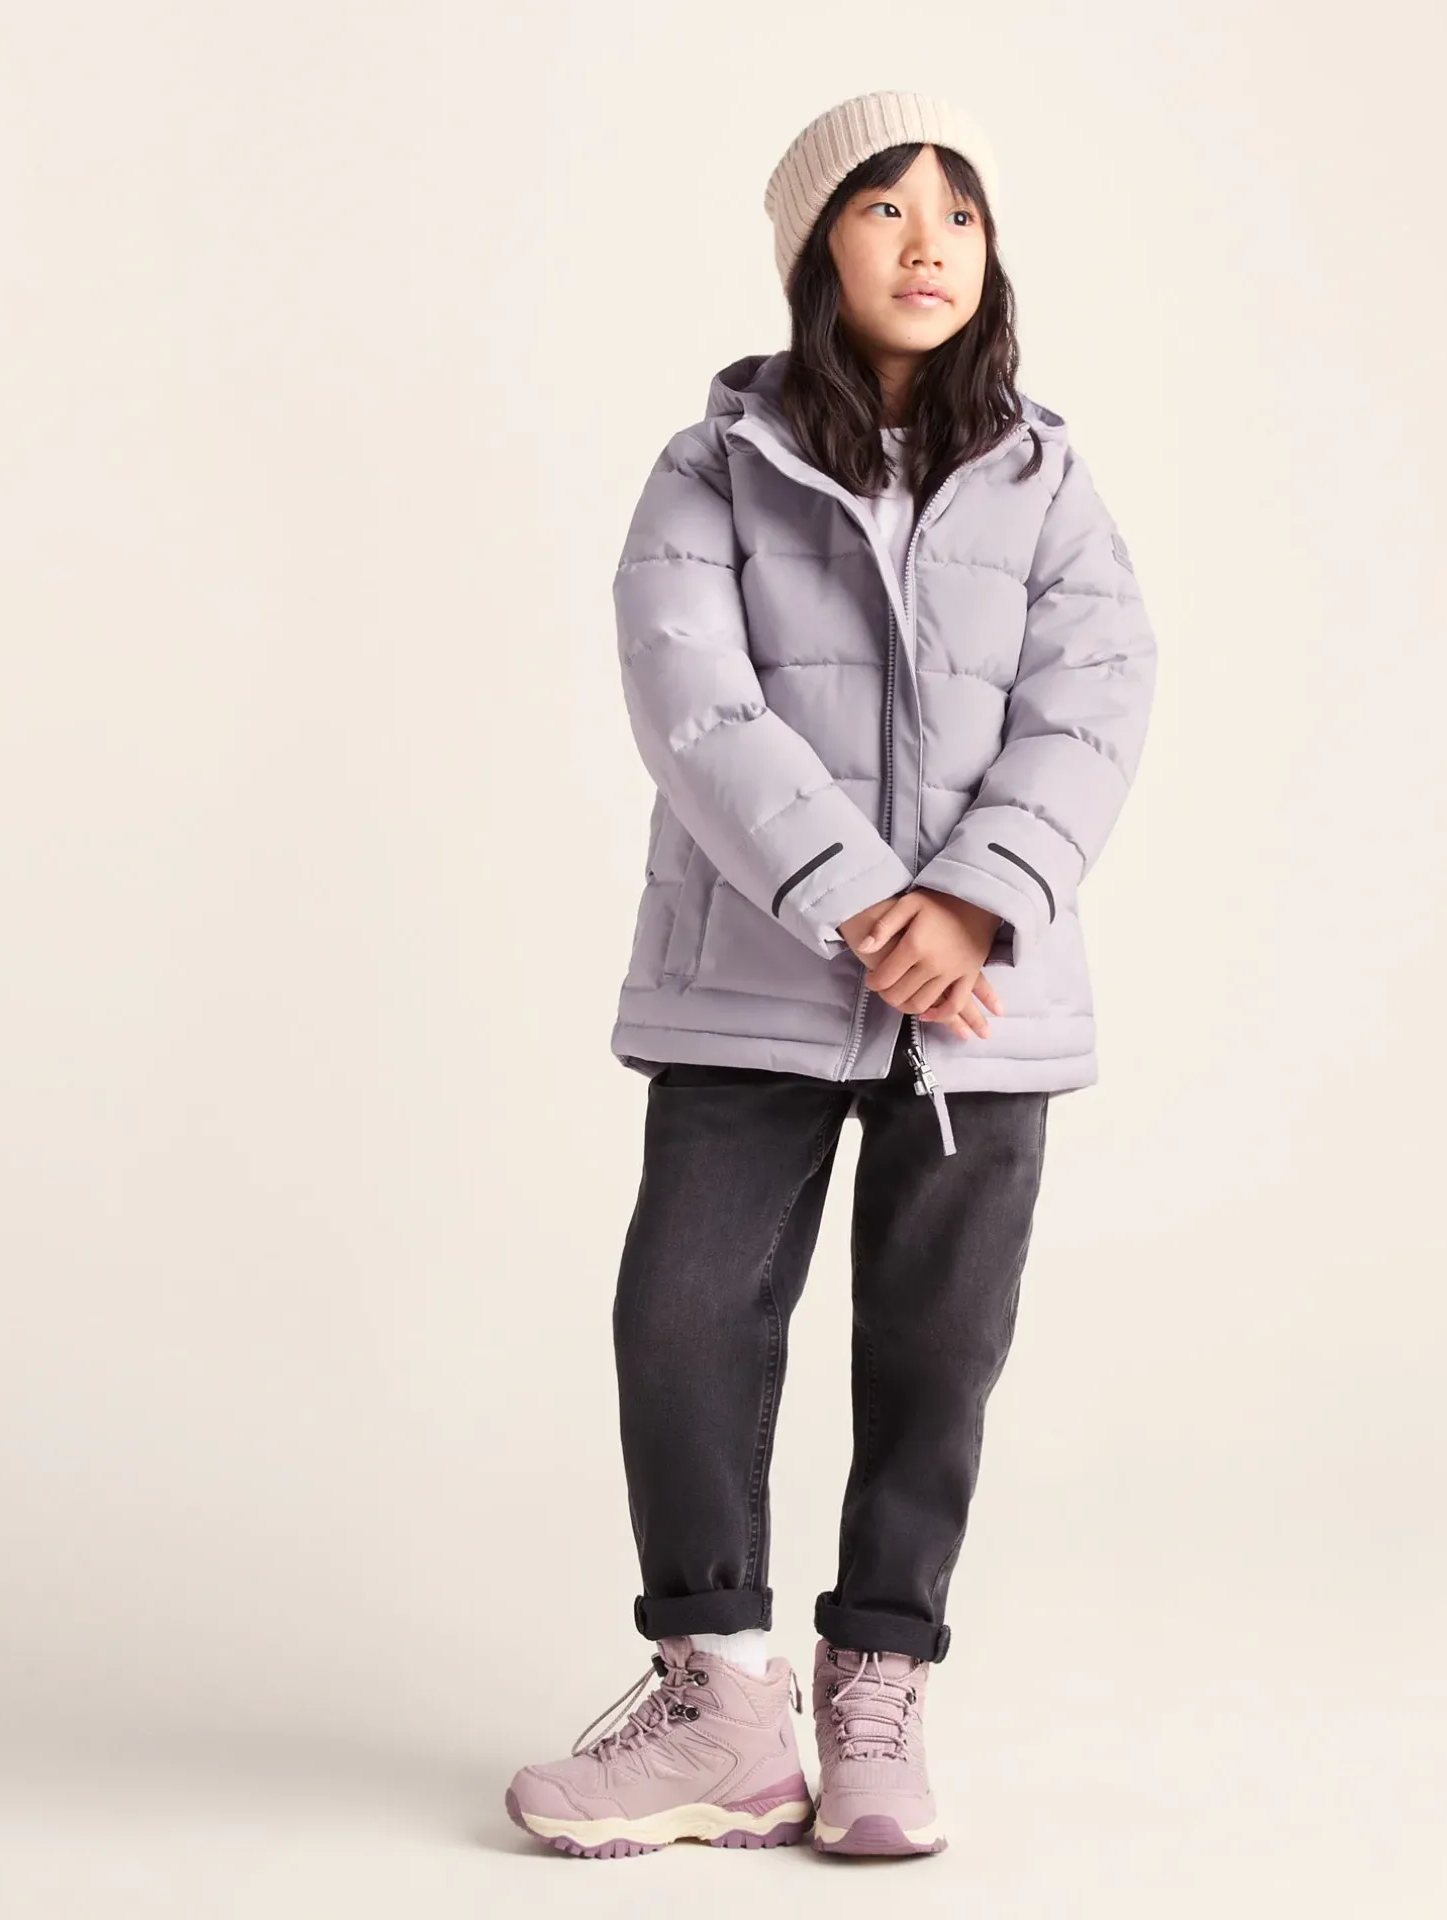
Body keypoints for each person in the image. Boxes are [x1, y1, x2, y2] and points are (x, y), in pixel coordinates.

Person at [505, 88, 1159, 1861]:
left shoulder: (1049, 482)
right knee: (685, 1313)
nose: (930, 240)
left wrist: (978, 903)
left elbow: (1097, 700)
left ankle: (879, 1688)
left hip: (986, 1004)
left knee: (938, 1345)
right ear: (815, 248)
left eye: (961, 211)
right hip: (753, 968)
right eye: (885, 207)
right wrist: (871, 903)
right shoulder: (705, 469)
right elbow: (690, 696)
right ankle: (723, 1709)